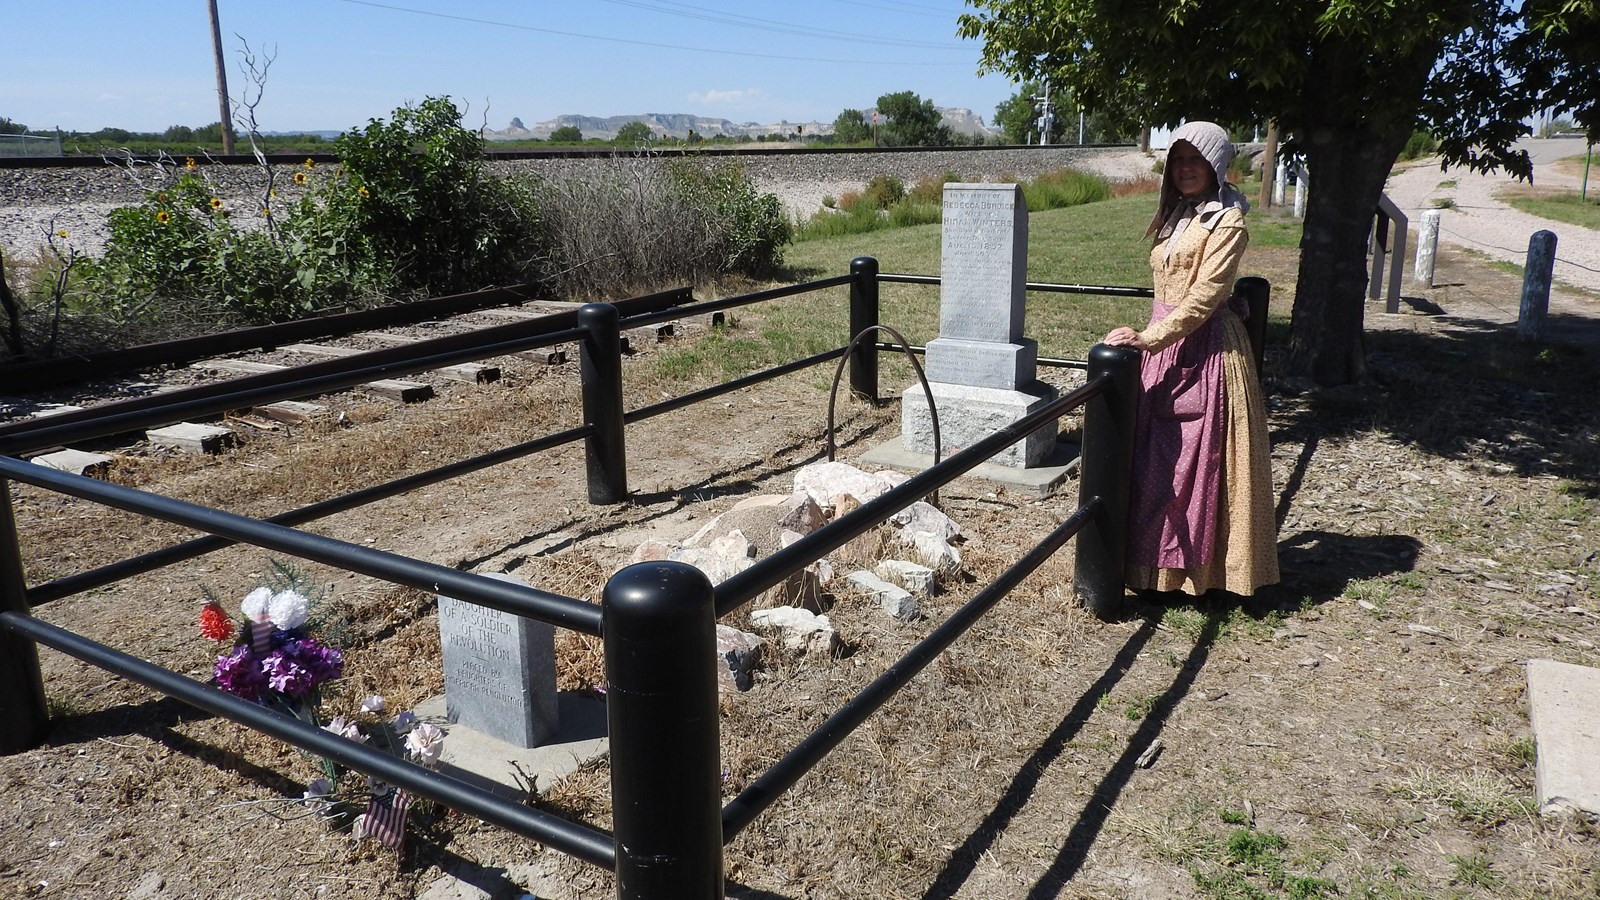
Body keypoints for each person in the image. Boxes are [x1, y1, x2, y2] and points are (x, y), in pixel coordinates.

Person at [1102, 121, 1279, 597]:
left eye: (1195, 160)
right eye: (1178, 160)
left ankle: (1202, 573)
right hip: (1168, 342)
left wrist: (1151, 337)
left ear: (1215, 165)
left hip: (1204, 350)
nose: (1185, 169)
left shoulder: (1228, 221)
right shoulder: (1179, 214)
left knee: (1194, 462)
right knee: (1157, 456)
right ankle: (1151, 569)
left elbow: (1204, 295)